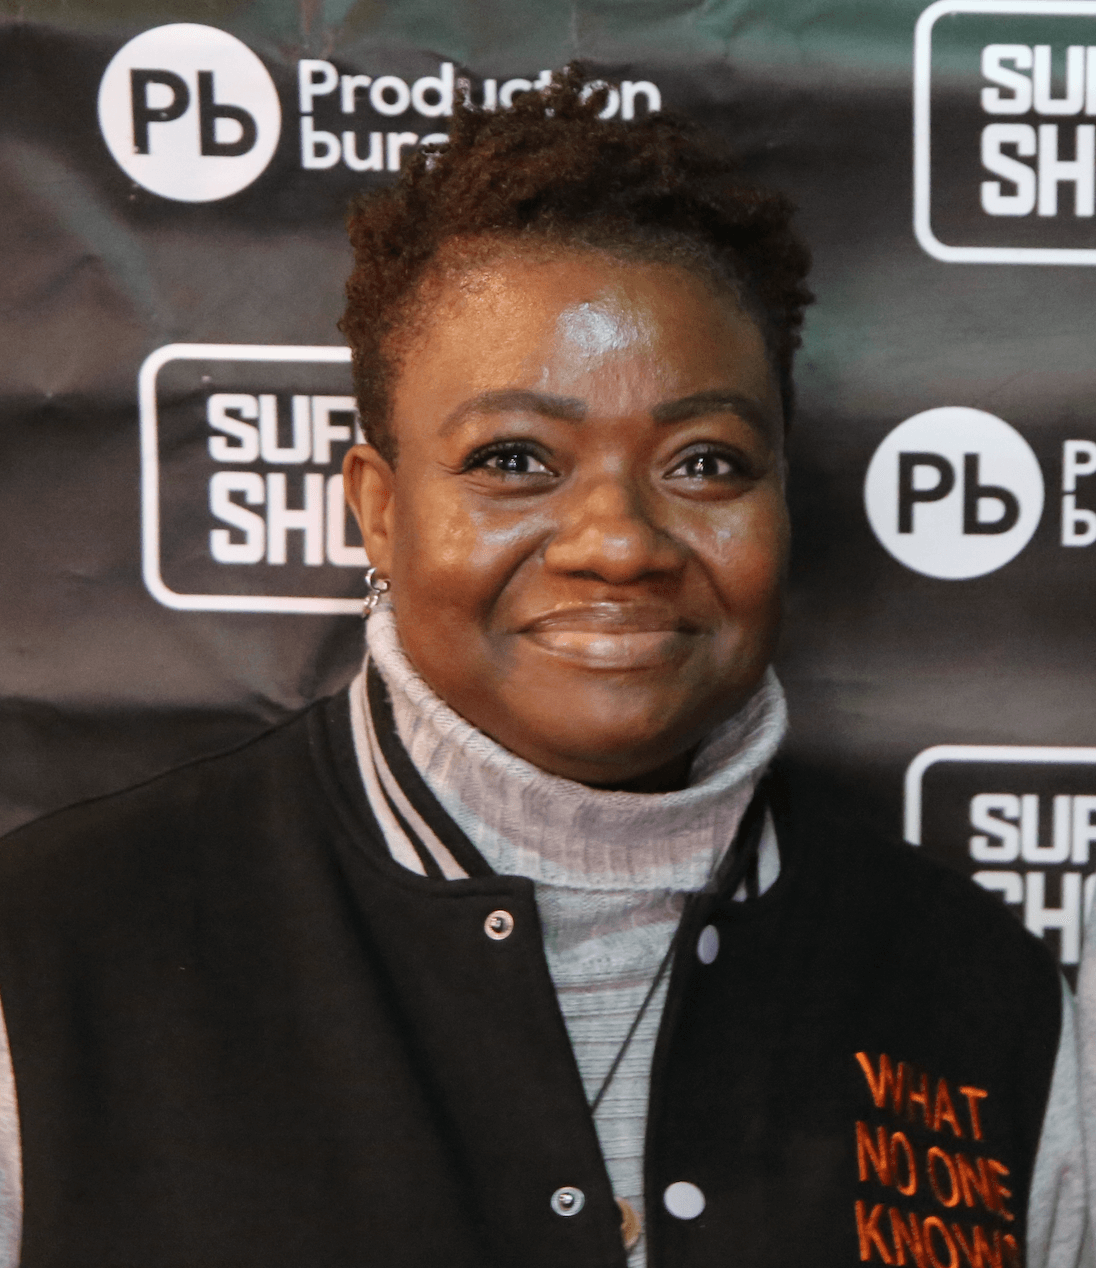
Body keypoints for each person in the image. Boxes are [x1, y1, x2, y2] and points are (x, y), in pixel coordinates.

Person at [0, 69, 1084, 1268]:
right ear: (377, 507)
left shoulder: (985, 1001)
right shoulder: (51, 958)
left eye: (706, 462)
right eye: (515, 458)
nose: (619, 543)